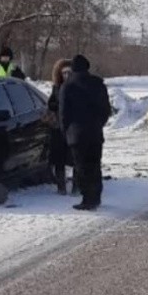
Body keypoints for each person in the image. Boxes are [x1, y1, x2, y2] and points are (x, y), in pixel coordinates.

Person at [59, 54, 112, 211]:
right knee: (95, 165)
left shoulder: (67, 86)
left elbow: (63, 113)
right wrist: (98, 124)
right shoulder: (98, 84)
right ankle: (96, 197)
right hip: (95, 132)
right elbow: (106, 109)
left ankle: (87, 199)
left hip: (76, 134)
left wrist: (66, 131)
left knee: (81, 167)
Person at [47, 59, 75, 195]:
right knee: (59, 158)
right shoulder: (57, 88)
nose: (66, 75)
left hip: (73, 127)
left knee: (75, 158)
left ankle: (76, 186)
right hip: (58, 128)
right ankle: (61, 187)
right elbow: (51, 104)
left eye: (69, 72)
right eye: (64, 73)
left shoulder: (77, 87)